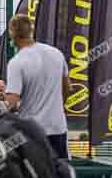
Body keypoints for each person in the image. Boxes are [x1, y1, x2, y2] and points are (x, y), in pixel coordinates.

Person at [5, 14, 71, 159]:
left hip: (31, 132)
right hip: (57, 127)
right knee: (61, 174)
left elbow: (11, 103)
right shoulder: (56, 53)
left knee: (33, 175)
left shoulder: (17, 62)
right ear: (31, 31)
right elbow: (67, 88)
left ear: (11, 33)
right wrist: (58, 107)